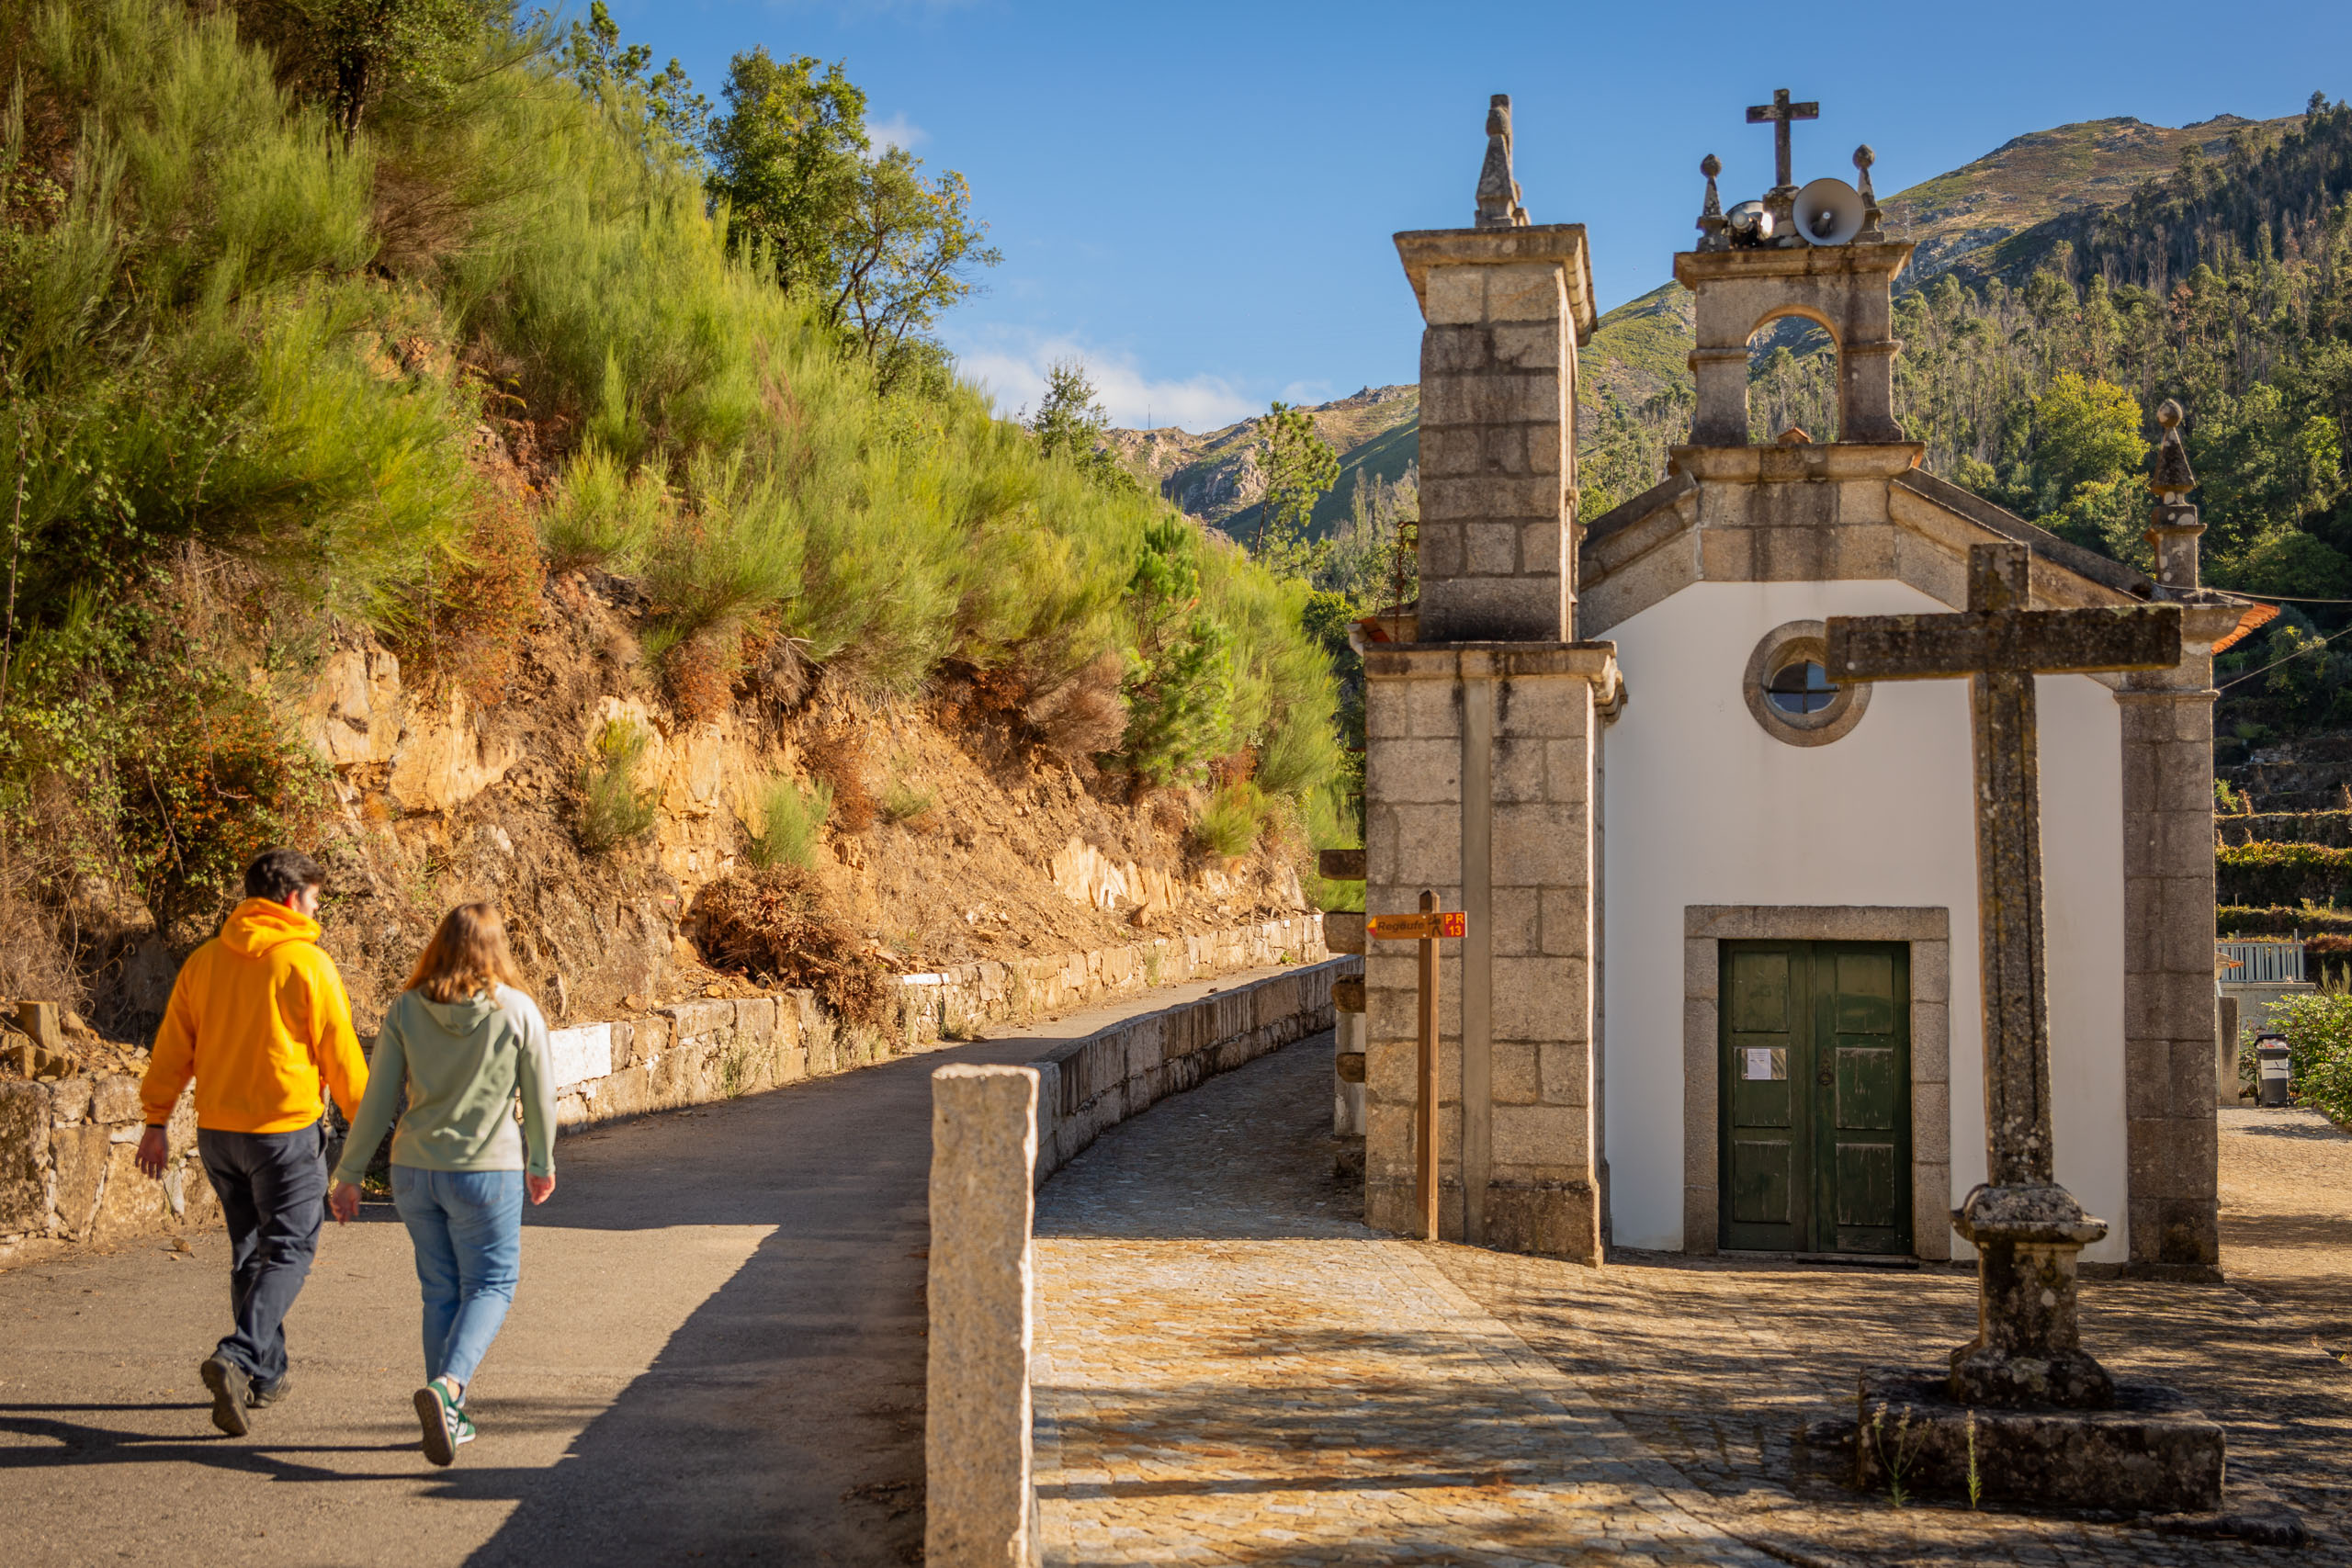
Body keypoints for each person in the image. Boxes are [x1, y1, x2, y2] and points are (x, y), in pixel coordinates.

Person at [138, 847, 368, 1438]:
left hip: (218, 1135)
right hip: (283, 1136)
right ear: (293, 898)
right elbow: (342, 1060)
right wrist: (363, 1141)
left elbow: (172, 1049)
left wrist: (156, 1120)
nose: (318, 909)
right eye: (315, 898)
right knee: (289, 1250)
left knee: (247, 1252)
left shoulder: (205, 962)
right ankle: (239, 1355)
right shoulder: (308, 965)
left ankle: (266, 1375)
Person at [328, 902, 556, 1467]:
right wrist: (542, 1161)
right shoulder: (518, 1012)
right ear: (497, 949)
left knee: (440, 1290)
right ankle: (450, 1388)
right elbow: (541, 1096)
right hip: (485, 1170)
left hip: (413, 1172)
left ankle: (448, 1415)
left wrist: (350, 1173)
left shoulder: (407, 1008)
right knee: (493, 1284)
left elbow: (378, 1098)